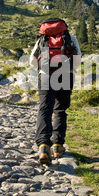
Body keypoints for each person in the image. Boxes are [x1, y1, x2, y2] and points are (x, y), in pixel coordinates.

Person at [30, 18, 82, 165]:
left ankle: (43, 147)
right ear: (64, 27)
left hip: (46, 76)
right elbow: (77, 60)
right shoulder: (71, 38)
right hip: (66, 76)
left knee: (45, 110)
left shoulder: (43, 39)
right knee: (60, 110)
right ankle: (58, 146)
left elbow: (32, 60)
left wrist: (43, 69)